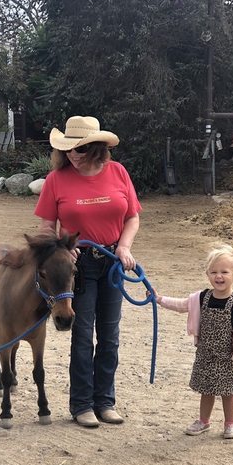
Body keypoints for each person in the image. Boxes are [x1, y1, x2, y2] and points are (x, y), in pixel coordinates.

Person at [35, 115, 141, 428]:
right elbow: (45, 226)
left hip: (112, 262)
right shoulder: (57, 179)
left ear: (95, 148)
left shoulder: (118, 172)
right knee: (82, 336)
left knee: (110, 335)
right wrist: (60, 247)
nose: (71, 155)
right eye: (67, 150)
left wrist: (124, 247)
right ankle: (82, 404)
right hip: (77, 266)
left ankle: (105, 402)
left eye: (78, 150)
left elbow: (132, 217)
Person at [155, 244, 233, 439]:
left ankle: (230, 424)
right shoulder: (201, 298)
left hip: (227, 357)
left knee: (228, 392)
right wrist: (159, 299)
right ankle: (204, 421)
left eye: (225, 272)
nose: (219, 276)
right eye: (214, 272)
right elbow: (181, 305)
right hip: (205, 354)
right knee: (206, 390)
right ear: (208, 274)